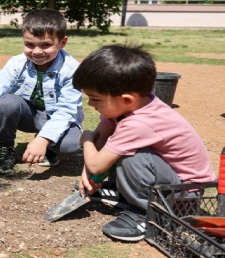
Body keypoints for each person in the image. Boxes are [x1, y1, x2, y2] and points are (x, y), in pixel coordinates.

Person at [73, 44, 215, 242]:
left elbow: (97, 160)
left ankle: (144, 213)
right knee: (117, 146)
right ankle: (123, 191)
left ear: (127, 99)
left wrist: (86, 139)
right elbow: (102, 137)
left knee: (132, 155)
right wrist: (88, 176)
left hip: (183, 194)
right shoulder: (128, 106)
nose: (90, 104)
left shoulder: (140, 123)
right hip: (169, 181)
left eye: (95, 99)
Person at [0, 8, 84, 174]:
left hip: (54, 116)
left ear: (62, 42)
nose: (36, 52)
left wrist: (43, 140)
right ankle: (6, 149)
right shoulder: (17, 63)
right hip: (28, 115)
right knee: (6, 102)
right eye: (29, 45)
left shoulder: (72, 70)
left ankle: (49, 147)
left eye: (45, 45)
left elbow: (66, 111)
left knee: (70, 145)